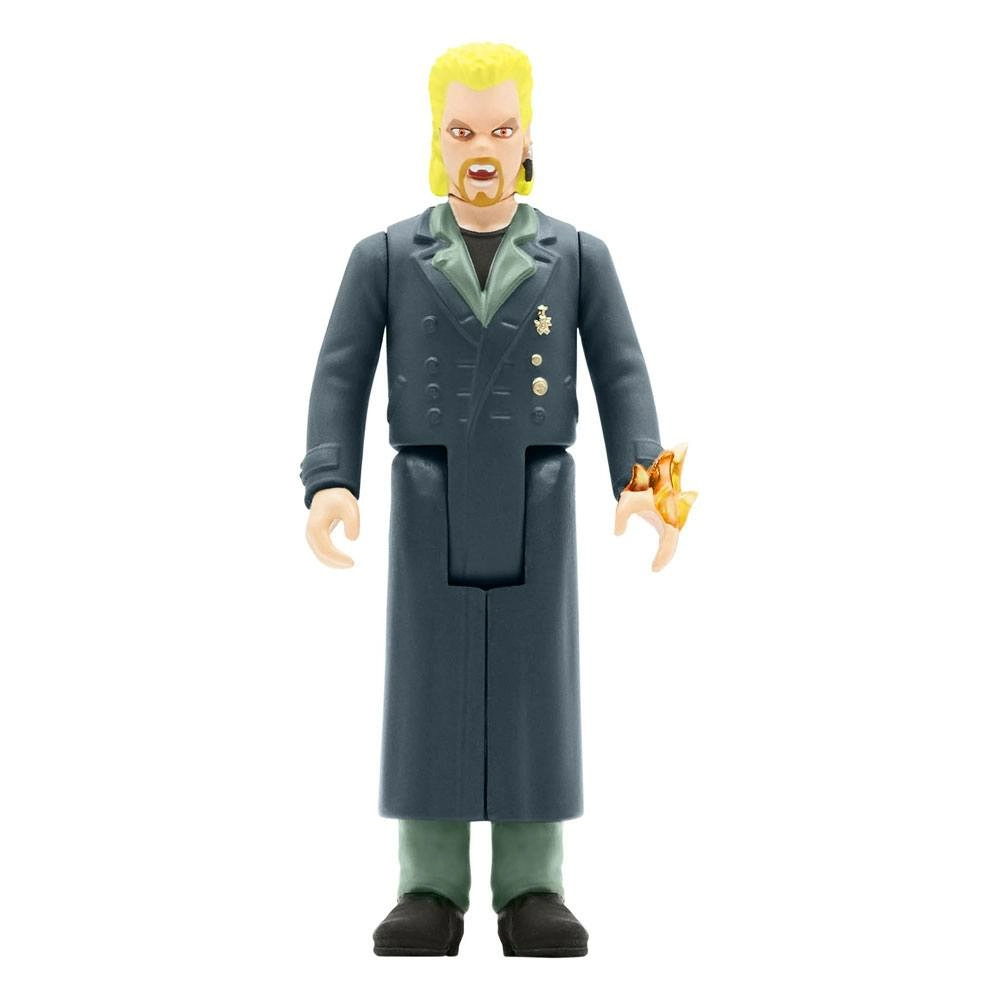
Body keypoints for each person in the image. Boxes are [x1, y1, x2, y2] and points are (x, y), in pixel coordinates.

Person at [301, 42, 691, 957]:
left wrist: (646, 480)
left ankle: (531, 885)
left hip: (537, 492)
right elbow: (341, 373)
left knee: (533, 685)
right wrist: (331, 481)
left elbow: (623, 371)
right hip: (426, 493)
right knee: (427, 684)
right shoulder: (386, 255)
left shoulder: (577, 255)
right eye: (463, 130)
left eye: (501, 129)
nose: (482, 148)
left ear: (527, 137)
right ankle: (429, 885)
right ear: (437, 137)